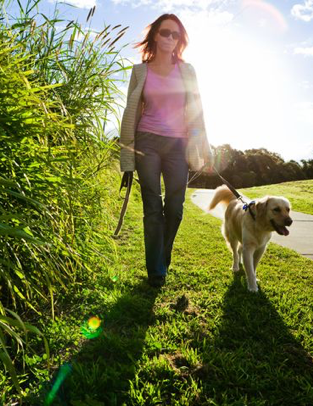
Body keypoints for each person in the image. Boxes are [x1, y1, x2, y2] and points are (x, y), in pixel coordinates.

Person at [119, 13, 214, 288]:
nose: (170, 38)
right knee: (152, 206)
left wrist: (203, 145)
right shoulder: (140, 71)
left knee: (174, 208)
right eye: (164, 33)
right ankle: (156, 272)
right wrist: (127, 157)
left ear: (179, 40)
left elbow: (197, 109)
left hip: (178, 145)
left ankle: (163, 255)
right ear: (155, 36)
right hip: (146, 141)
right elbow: (130, 113)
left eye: (175, 34)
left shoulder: (187, 71)